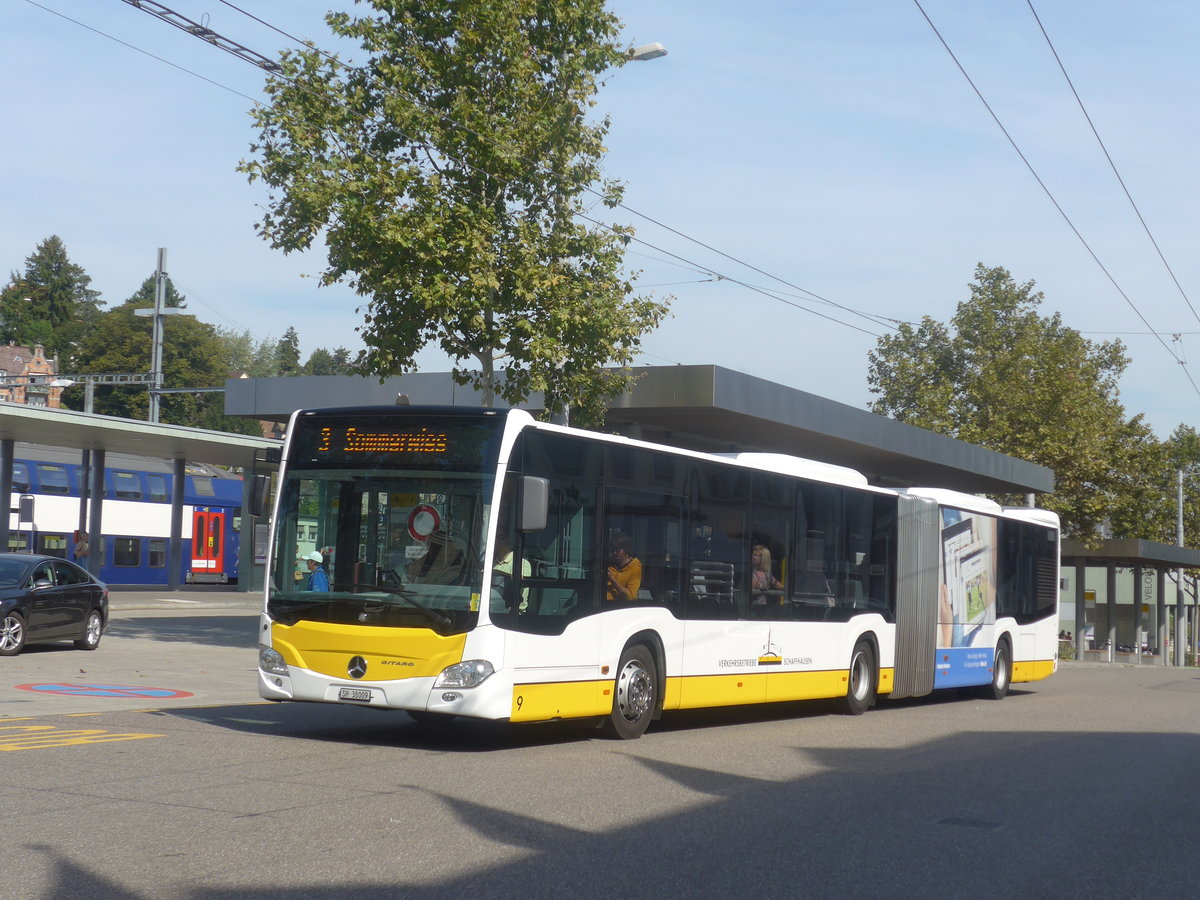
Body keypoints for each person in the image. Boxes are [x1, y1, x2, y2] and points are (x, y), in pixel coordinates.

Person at [493, 527, 531, 611]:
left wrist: (493, 573)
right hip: (493, 608)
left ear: (510, 540)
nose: (496, 541)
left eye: (501, 537)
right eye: (494, 537)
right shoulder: (492, 563)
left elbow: (519, 580)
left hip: (514, 614)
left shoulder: (522, 563)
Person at [606, 532, 642, 602]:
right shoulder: (608, 563)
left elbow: (631, 596)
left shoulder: (635, 568)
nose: (615, 553)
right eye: (613, 550)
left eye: (617, 550)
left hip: (620, 607)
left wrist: (612, 580)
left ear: (626, 550)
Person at [750, 544, 783, 609]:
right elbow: (781, 586)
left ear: (764, 559)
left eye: (757, 556)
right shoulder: (768, 574)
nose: (754, 557)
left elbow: (780, 586)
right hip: (761, 606)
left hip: (754, 607)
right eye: (753, 554)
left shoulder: (761, 574)